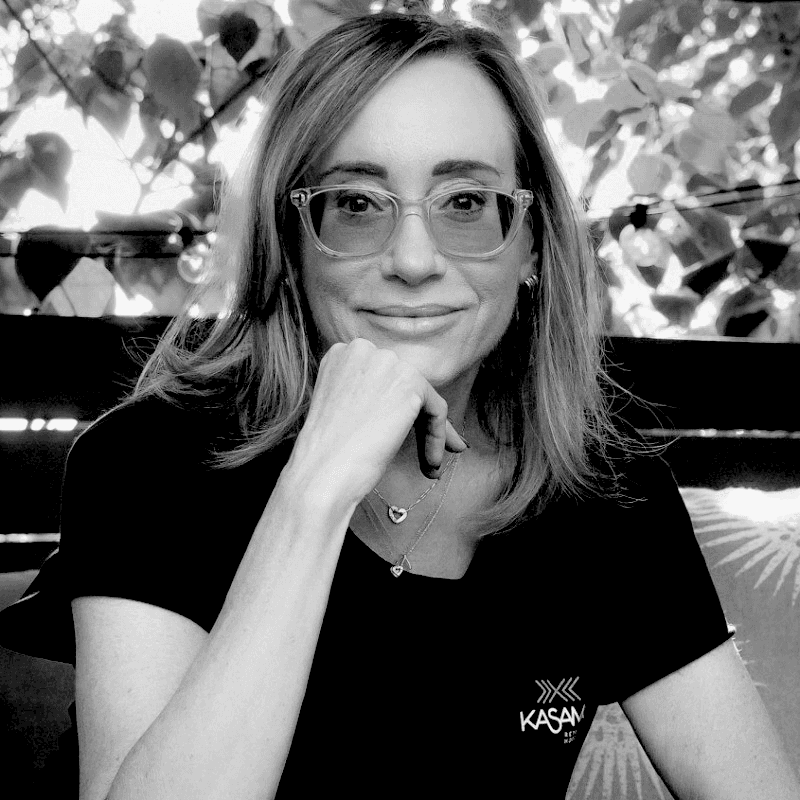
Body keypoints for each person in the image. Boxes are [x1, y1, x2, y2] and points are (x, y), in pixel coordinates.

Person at [4, 10, 798, 800]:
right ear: (291, 240)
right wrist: (313, 494)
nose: (414, 260)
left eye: (465, 202)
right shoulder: (147, 464)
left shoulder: (608, 496)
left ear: (530, 240)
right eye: (356, 204)